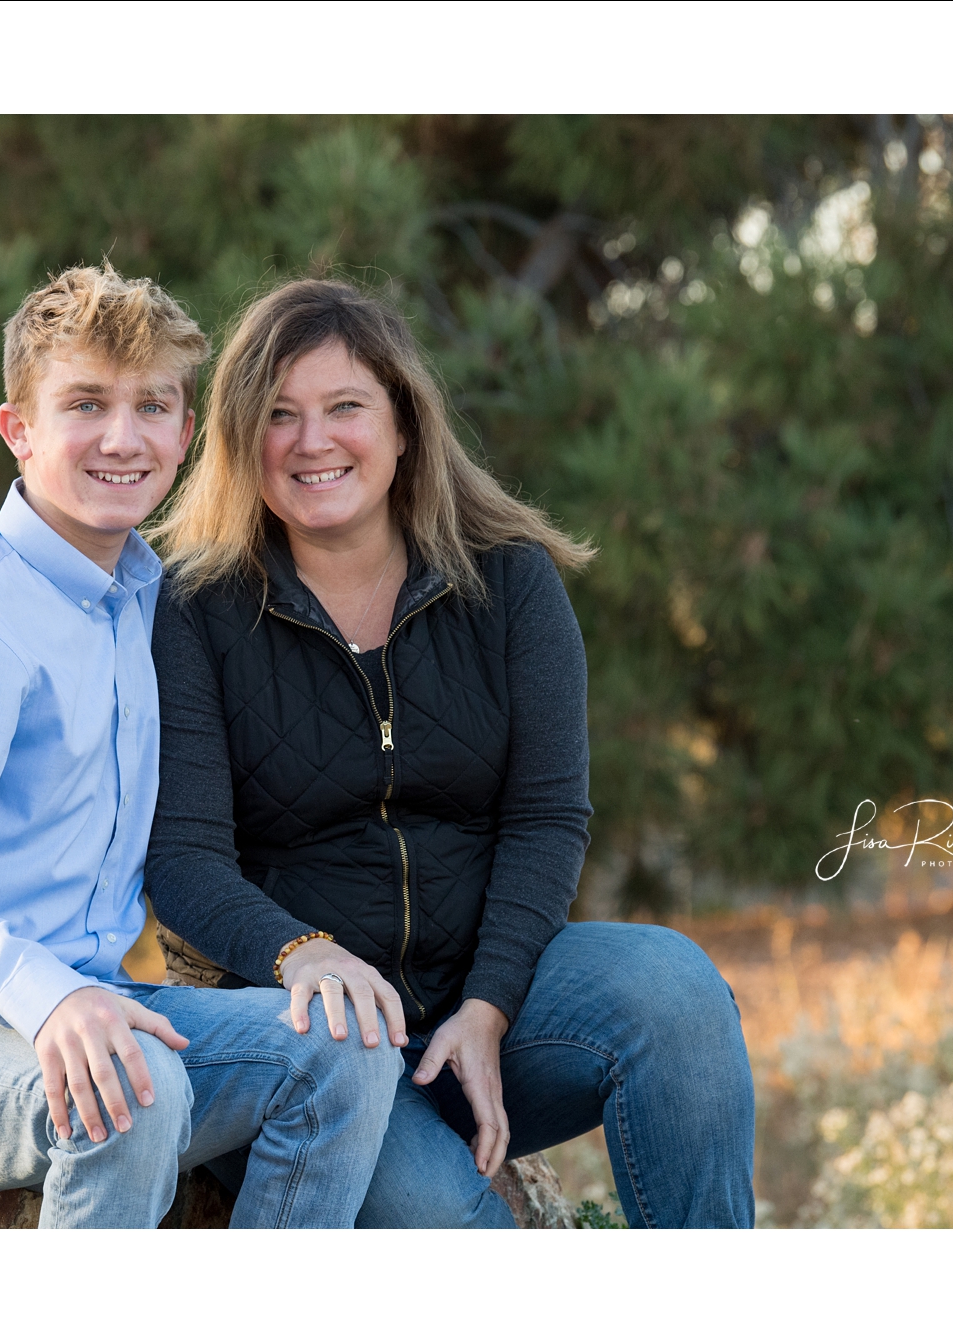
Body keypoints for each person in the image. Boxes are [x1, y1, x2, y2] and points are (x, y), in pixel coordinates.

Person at [145, 278, 757, 1228]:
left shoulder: (508, 579)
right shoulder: (192, 609)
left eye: (346, 407)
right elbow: (182, 863)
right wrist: (300, 953)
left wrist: (491, 1004)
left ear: (403, 425)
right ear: (238, 438)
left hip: (481, 1003)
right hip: (314, 1041)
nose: (314, 442)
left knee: (676, 994)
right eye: (279, 415)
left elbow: (547, 815)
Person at [0, 265, 400, 1229]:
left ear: (185, 431)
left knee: (351, 1043)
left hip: (100, 1003)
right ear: (20, 429)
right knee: (131, 1088)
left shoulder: (142, 595)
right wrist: (50, 1002)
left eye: (151, 406)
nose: (122, 438)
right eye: (85, 403)